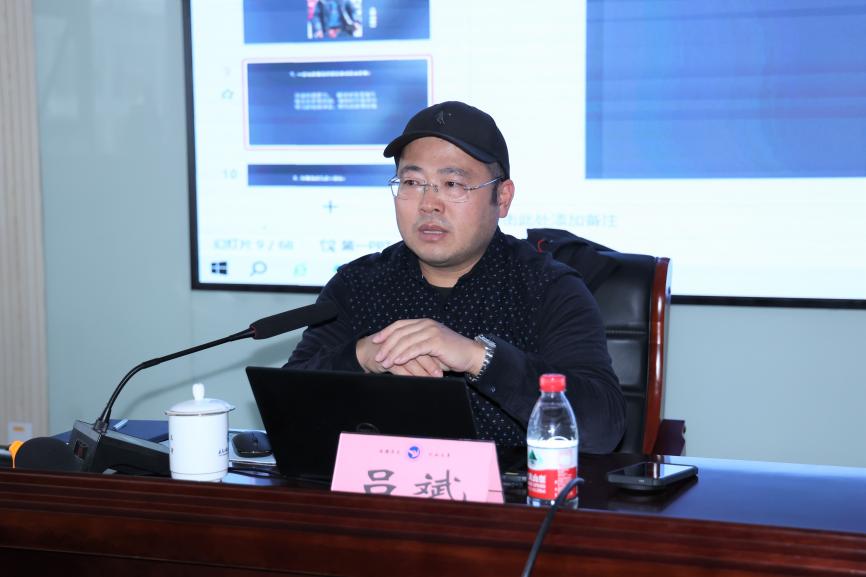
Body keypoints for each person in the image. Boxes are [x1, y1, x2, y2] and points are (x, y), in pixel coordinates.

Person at [287, 101, 626, 453]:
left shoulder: (548, 287)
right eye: (412, 182)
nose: (428, 204)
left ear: (502, 197)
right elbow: (287, 409)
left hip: (509, 488)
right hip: (382, 484)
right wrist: (360, 356)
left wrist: (479, 359)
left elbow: (602, 429)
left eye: (452, 184)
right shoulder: (357, 284)